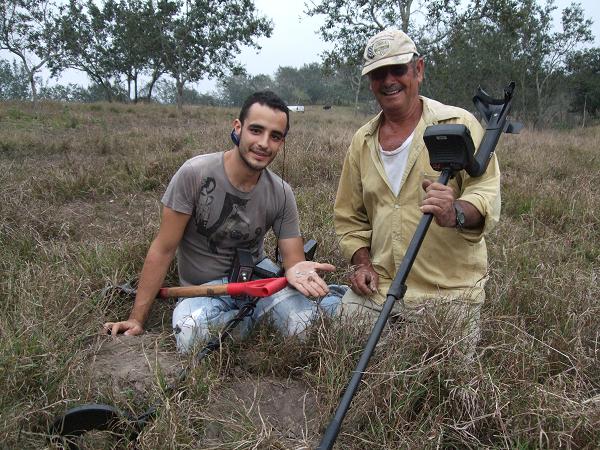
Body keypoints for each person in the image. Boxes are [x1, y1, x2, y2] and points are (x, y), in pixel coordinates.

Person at [104, 91, 344, 352]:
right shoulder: (194, 174)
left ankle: (324, 302)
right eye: (256, 130)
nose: (264, 143)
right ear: (237, 128)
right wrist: (136, 319)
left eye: (275, 136)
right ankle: (260, 323)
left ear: (282, 143)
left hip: (256, 285)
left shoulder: (282, 192)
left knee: (304, 326)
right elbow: (163, 249)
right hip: (201, 292)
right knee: (190, 334)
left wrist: (297, 270)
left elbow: (293, 260)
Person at [334, 29, 501, 350]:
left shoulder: (457, 124)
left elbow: (485, 194)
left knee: (440, 378)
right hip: (380, 288)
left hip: (448, 292)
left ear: (419, 69)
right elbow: (349, 218)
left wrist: (455, 213)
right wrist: (362, 264)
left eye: (397, 70)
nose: (388, 81)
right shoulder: (362, 141)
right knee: (339, 345)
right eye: (377, 74)